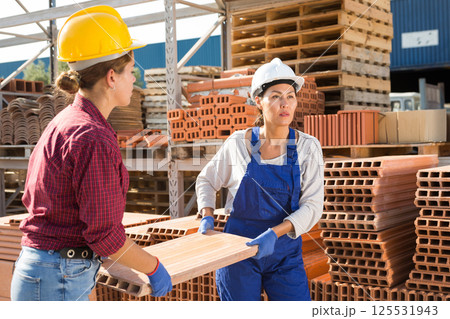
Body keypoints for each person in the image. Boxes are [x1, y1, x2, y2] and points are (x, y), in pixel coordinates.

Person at [10, 6, 172, 301]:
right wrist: (154, 267)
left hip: (49, 271)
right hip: (58, 277)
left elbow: (70, 215)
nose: (134, 80)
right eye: (131, 72)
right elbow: (105, 236)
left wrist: (113, 262)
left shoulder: (67, 121)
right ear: (112, 77)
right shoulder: (92, 136)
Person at [196, 58, 324, 301]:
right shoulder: (239, 143)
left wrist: (275, 234)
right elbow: (206, 180)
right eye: (275, 96)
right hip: (238, 254)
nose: (284, 104)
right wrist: (207, 215)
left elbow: (313, 206)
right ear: (258, 101)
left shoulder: (308, 147)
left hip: (284, 253)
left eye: (290, 96)